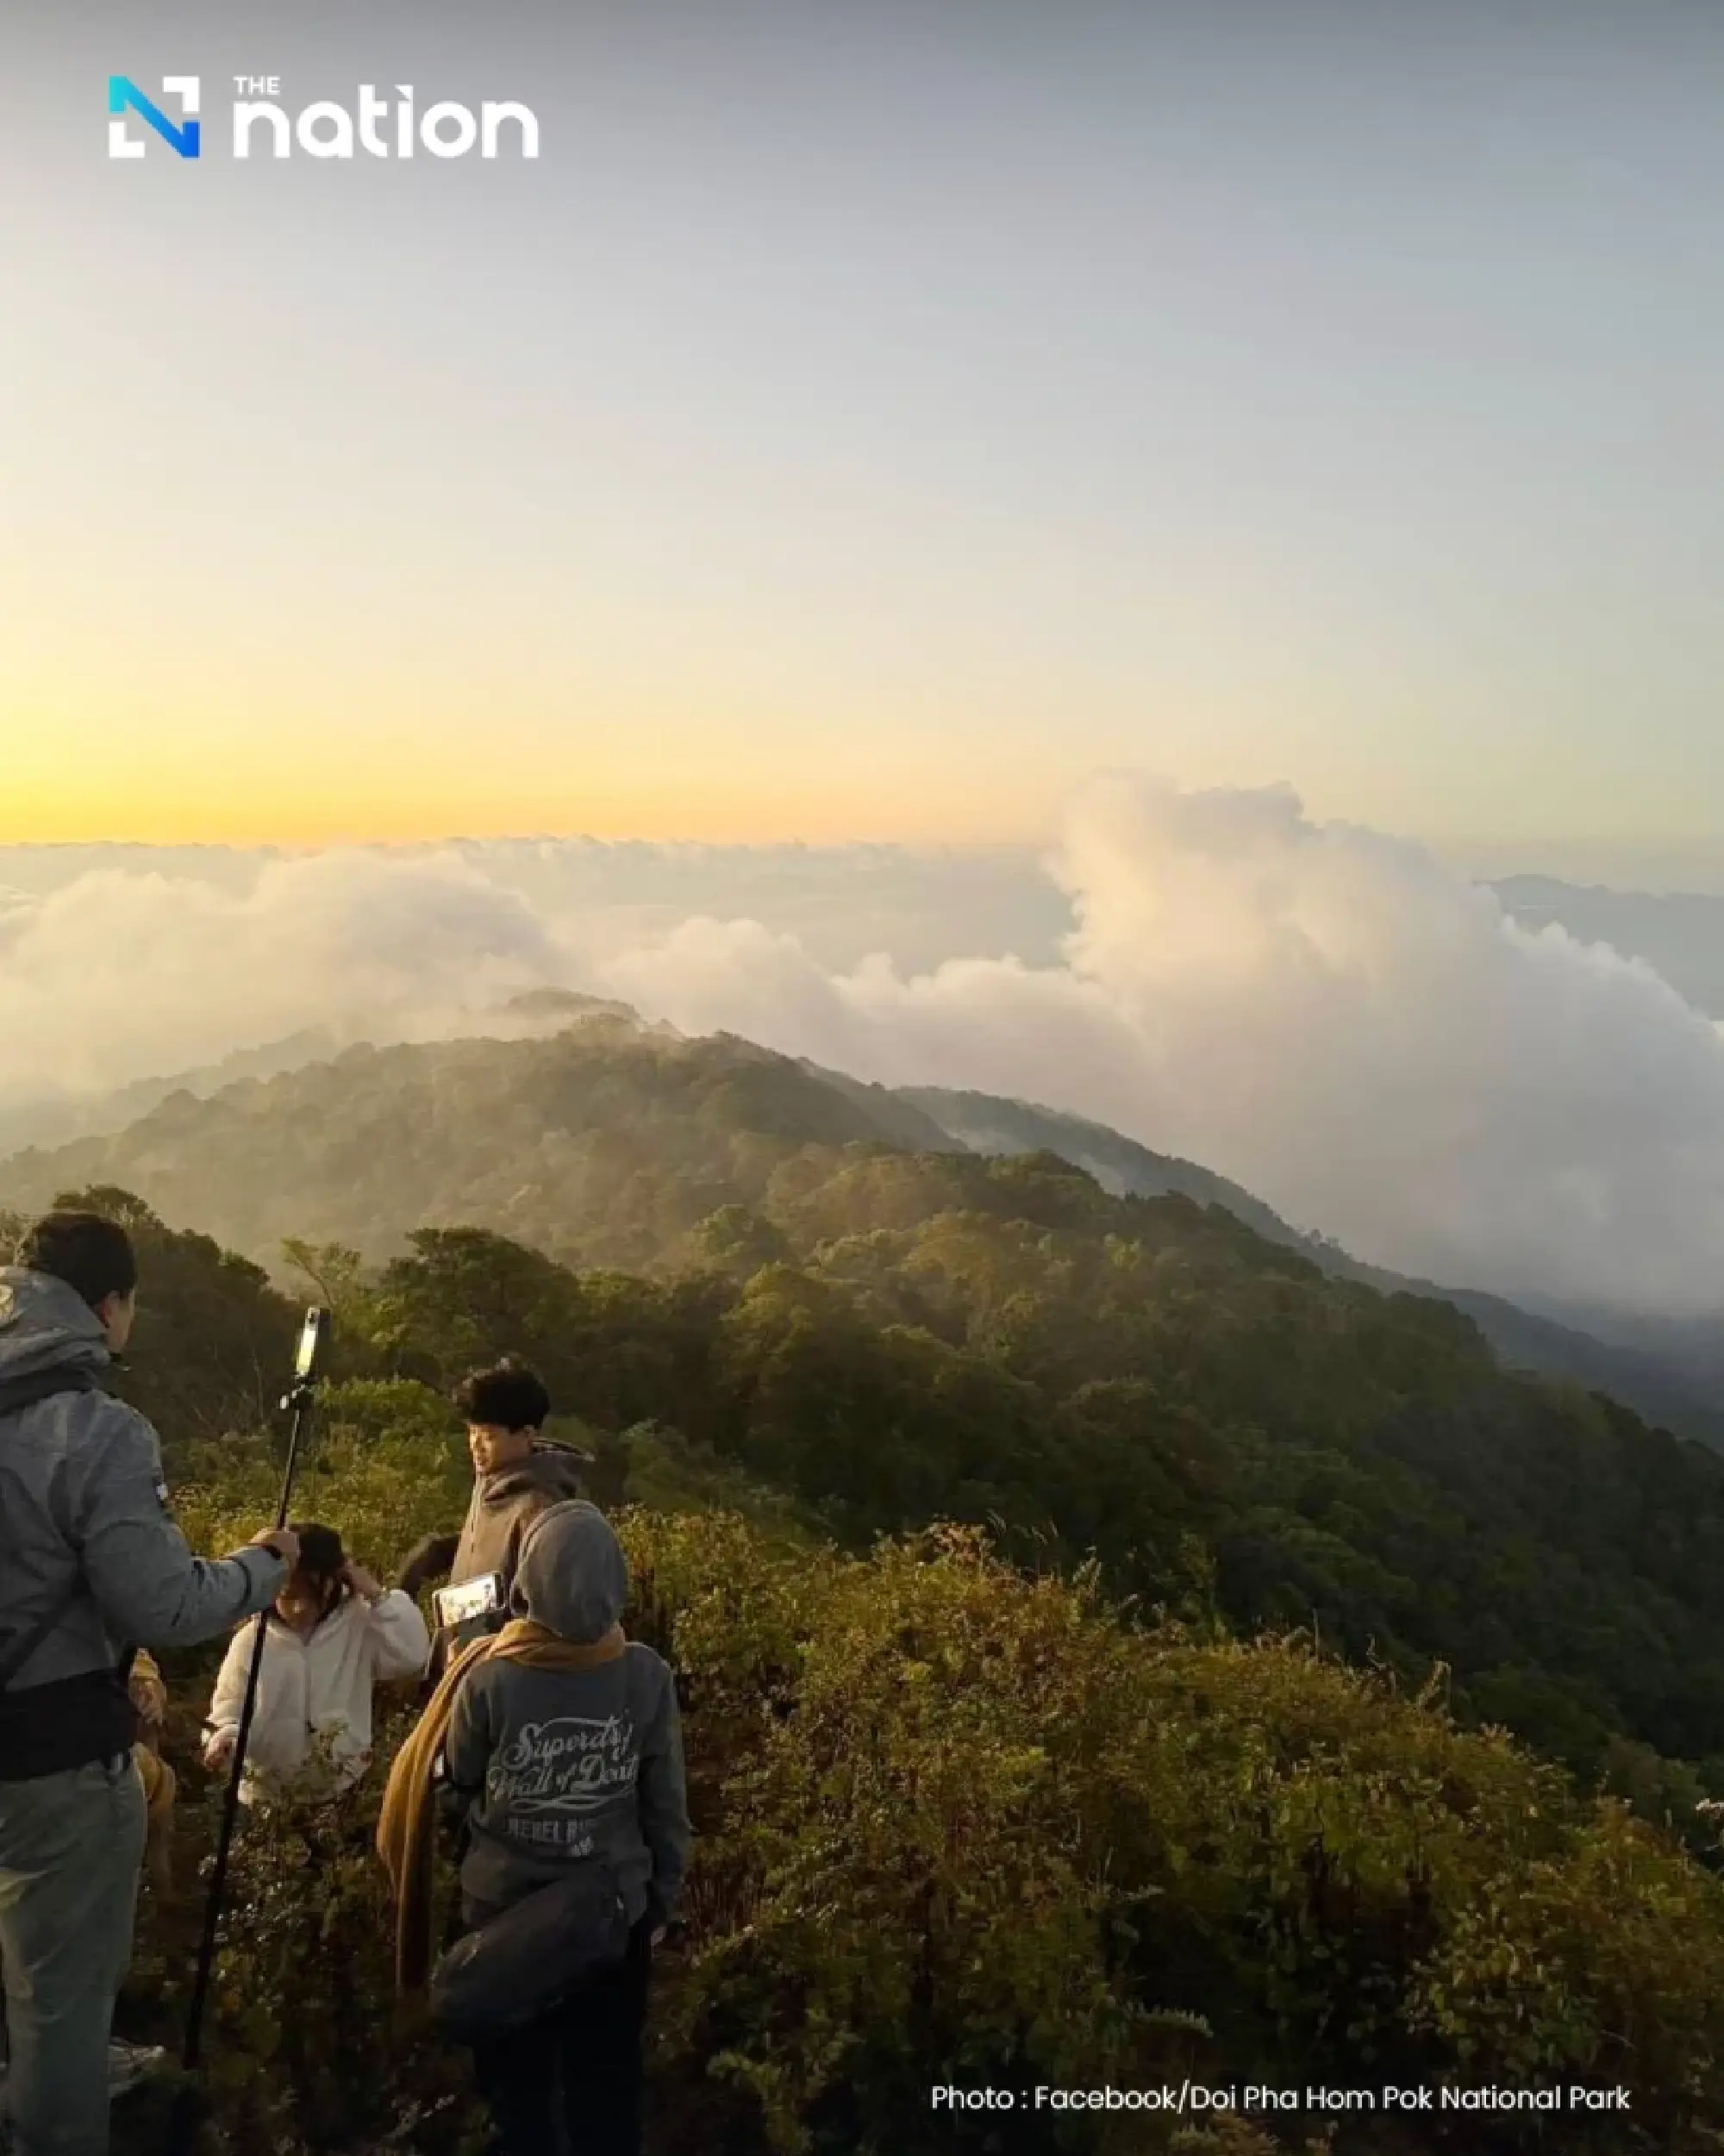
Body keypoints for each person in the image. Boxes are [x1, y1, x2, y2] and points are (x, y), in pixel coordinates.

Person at [0, 1210, 297, 2156]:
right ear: (109, 1306)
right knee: (56, 2001)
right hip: (49, 1760)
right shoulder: (96, 1429)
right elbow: (165, 1604)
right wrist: (263, 1566)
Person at [378, 1502, 690, 2156]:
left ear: (526, 1580)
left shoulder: (488, 1676)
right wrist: (657, 1904)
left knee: (518, 2108)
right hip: (610, 1924)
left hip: (502, 1922)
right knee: (605, 2100)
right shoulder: (646, 1675)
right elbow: (665, 1805)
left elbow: (455, 1786)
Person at [203, 1522, 430, 1805]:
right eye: (289, 1596)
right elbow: (228, 1708)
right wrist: (226, 1737)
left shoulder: (359, 1623)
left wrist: (376, 1595)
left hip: (344, 1783)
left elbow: (412, 1656)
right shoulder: (251, 1642)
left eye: (312, 1594)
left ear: (335, 1581)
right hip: (269, 1794)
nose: (300, 1607)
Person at [397, 1360, 590, 1683]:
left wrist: (491, 1654)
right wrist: (438, 1554)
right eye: (471, 1432)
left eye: (487, 1435)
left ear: (527, 1434)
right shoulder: (490, 1480)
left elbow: (548, 1615)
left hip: (502, 1681)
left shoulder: (541, 1508)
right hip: (459, 1666)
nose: (475, 1445)